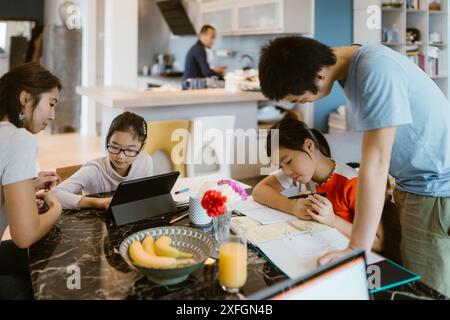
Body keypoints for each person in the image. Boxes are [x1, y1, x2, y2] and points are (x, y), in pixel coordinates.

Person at [258, 36, 450, 297]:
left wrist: (354, 250)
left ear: (318, 76)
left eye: (298, 97)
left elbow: (375, 165)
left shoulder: (374, 70)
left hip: (433, 188)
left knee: (425, 290)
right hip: (415, 184)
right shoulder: (355, 67)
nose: (300, 104)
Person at [253, 117, 384, 251]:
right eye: (281, 167)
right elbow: (259, 190)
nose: (286, 171)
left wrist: (333, 221)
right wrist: (292, 207)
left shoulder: (352, 183)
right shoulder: (300, 173)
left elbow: (378, 243)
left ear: (308, 146)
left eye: (288, 161)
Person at [0, 62, 62, 299]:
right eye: (51, 104)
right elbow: (24, 236)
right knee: (54, 278)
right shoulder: (19, 139)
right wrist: (56, 209)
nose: (53, 115)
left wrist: (26, 187)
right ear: (26, 97)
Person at [53, 112, 153, 210]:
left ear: (142, 147)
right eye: (114, 146)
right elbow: (55, 194)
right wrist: (99, 202)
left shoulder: (145, 162)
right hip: (95, 224)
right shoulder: (94, 169)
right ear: (107, 140)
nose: (121, 156)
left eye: (130, 150)